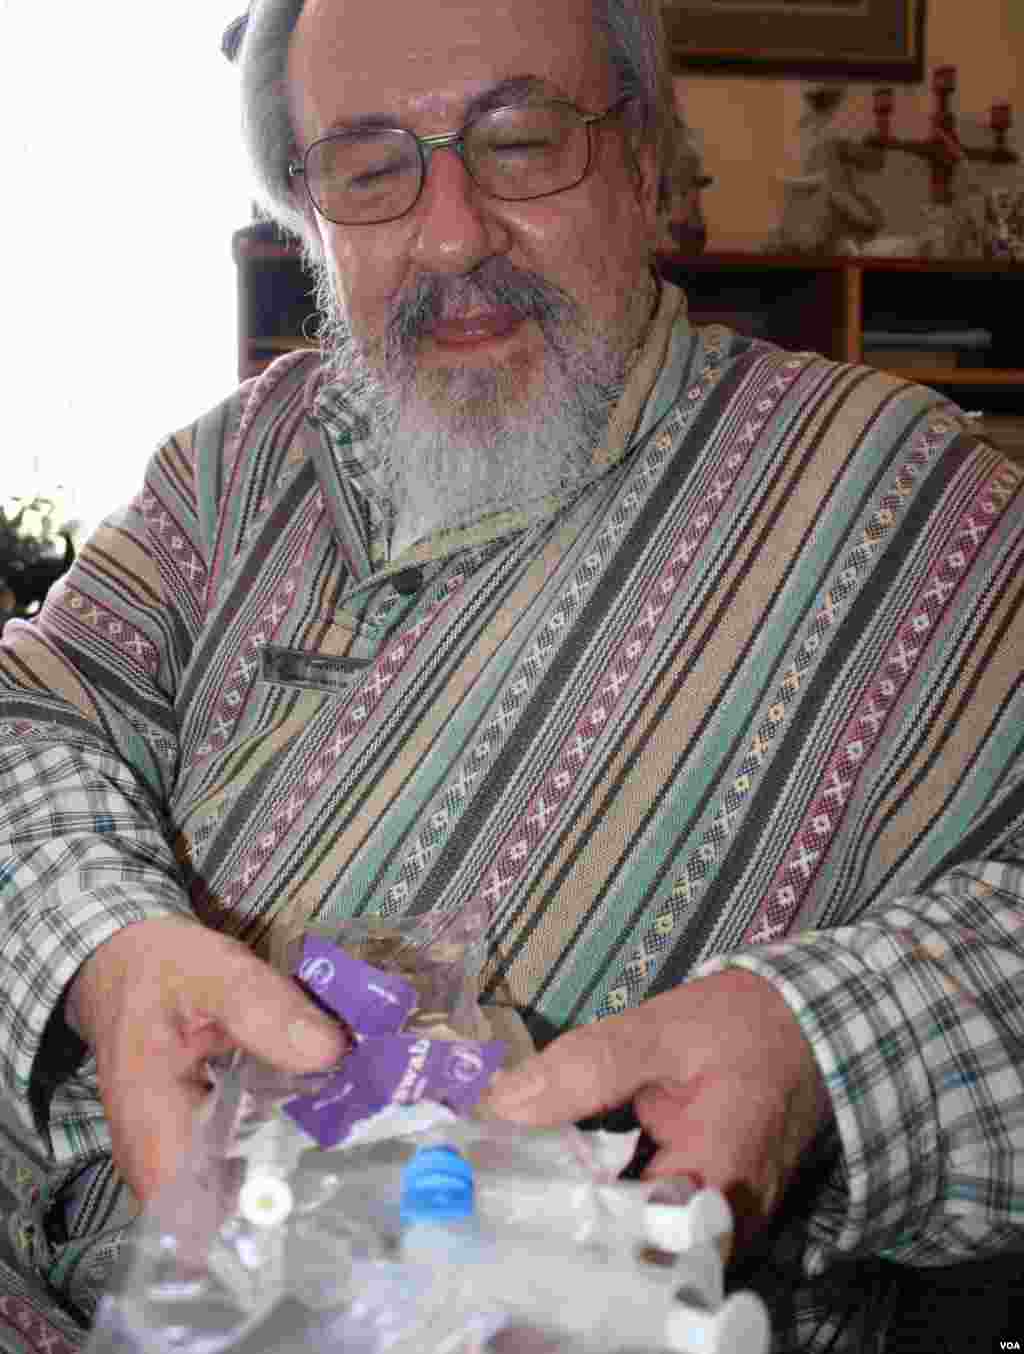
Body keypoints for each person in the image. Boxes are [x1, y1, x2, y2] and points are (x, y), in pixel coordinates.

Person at [0, 0, 1021, 1347]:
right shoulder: (230, 467)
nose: (451, 233)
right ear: (309, 214)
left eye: (522, 142)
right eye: (370, 170)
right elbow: (30, 713)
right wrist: (107, 956)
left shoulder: (915, 504)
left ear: (647, 158)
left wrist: (827, 1048)